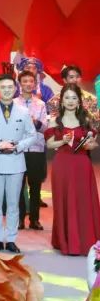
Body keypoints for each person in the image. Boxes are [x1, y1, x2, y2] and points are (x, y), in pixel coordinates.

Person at [0, 73, 40, 254]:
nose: (7, 90)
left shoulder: (23, 111)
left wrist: (18, 146)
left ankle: (11, 239)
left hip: (16, 161)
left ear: (15, 88)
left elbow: (32, 135)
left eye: (10, 87)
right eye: (3, 87)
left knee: (13, 203)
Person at [45, 84, 100, 255]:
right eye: (67, 97)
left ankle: (85, 240)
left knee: (83, 201)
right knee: (64, 201)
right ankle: (66, 241)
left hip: (82, 165)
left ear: (79, 101)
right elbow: (49, 144)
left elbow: (93, 144)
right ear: (61, 101)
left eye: (74, 98)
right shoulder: (55, 121)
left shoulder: (86, 120)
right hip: (62, 165)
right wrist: (63, 141)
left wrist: (90, 144)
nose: (70, 101)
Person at [15, 71, 49, 231]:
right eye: (25, 81)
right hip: (19, 149)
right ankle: (20, 219)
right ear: (20, 83)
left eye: (31, 81)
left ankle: (34, 219)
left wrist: (36, 123)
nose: (28, 84)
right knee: (18, 186)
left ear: (35, 84)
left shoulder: (41, 104)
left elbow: (45, 128)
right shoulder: (13, 103)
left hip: (36, 148)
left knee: (35, 186)